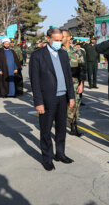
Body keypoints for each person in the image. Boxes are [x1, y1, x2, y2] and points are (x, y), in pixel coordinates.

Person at [29, 28, 75, 171]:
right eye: (56, 40)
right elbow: (34, 81)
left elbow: (68, 76)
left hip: (62, 97)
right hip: (47, 99)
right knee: (46, 130)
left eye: (60, 40)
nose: (58, 43)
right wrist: (38, 102)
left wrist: (71, 96)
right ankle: (47, 158)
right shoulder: (37, 55)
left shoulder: (63, 54)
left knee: (61, 129)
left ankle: (60, 153)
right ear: (48, 39)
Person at [61, 30, 86, 137]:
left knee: (75, 105)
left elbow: (82, 70)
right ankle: (61, 127)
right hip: (60, 84)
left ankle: (73, 126)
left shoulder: (77, 52)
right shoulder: (56, 52)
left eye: (63, 36)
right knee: (61, 106)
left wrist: (81, 84)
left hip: (75, 83)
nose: (60, 38)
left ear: (68, 38)